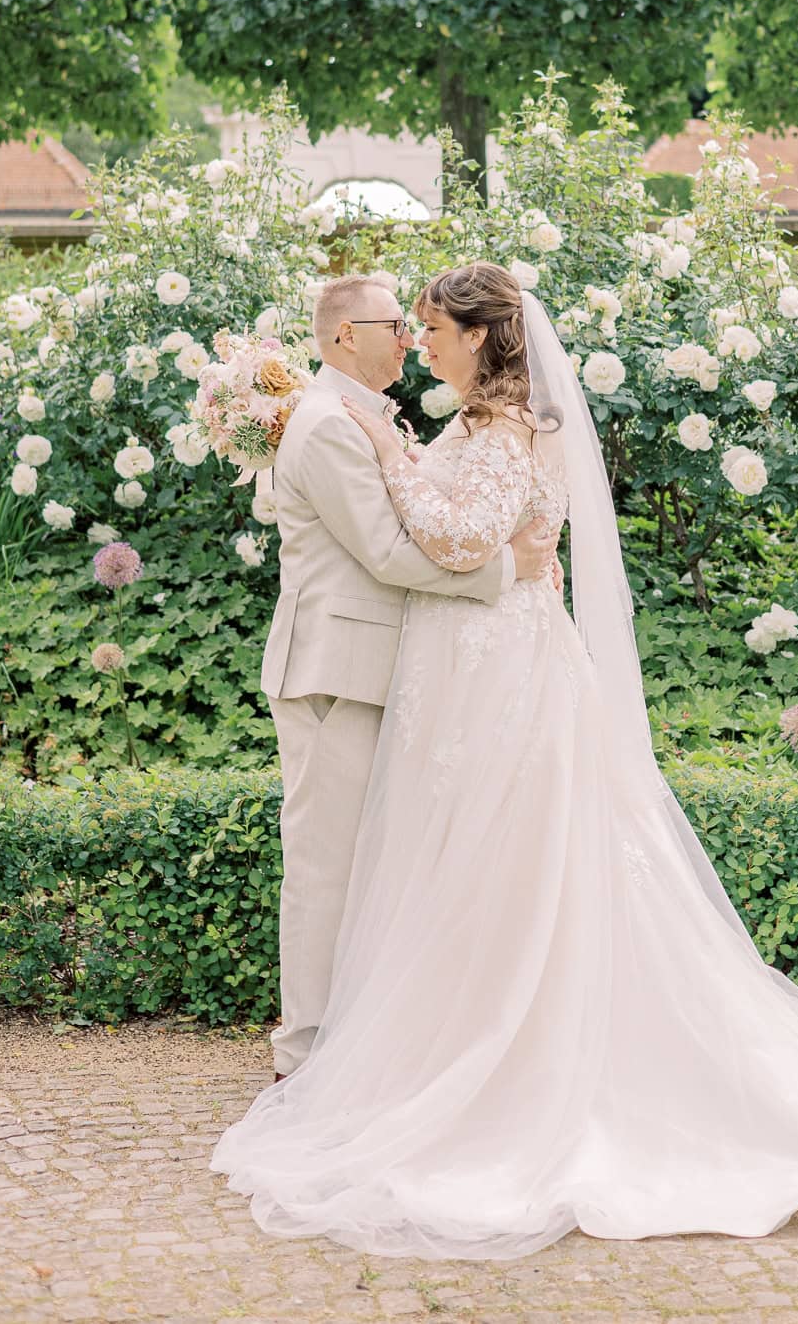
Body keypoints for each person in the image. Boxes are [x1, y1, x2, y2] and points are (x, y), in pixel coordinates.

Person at [212, 261, 798, 1260]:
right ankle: (437, 1046)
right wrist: (395, 451)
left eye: (439, 330)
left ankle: (505, 1064)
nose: (426, 344)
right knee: (455, 865)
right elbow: (441, 540)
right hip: (460, 667)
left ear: (485, 338)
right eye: (412, 328)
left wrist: (393, 457)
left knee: (511, 861)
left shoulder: (502, 429)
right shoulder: (449, 424)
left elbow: (454, 537)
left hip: (501, 674)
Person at [259, 270, 559, 1082]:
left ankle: (365, 1042)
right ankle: (306, 1053)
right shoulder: (327, 425)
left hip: (401, 667)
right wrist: (508, 569)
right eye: (396, 323)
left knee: (388, 863)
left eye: (420, 325)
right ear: (345, 335)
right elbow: (390, 552)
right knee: (326, 863)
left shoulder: (368, 417)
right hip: (338, 670)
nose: (409, 337)